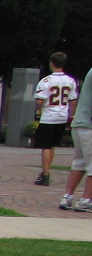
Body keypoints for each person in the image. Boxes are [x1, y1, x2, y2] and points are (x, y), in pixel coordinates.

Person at [35, 52, 79, 187]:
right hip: (62, 116)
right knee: (52, 145)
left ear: (52, 63)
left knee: (46, 146)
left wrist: (39, 111)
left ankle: (45, 175)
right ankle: (46, 170)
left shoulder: (46, 81)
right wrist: (71, 116)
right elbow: (73, 100)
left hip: (49, 117)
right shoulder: (71, 81)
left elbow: (39, 101)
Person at [61, 62, 92, 212]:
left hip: (79, 123)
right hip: (89, 125)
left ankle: (67, 197)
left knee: (79, 163)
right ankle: (86, 200)